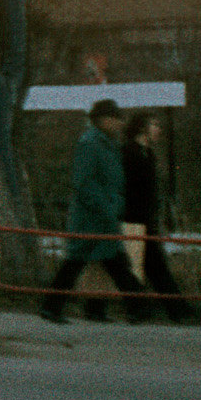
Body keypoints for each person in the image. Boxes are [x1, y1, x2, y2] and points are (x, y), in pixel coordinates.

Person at [42, 98, 144, 325]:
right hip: (91, 215)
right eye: (116, 119)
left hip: (102, 213)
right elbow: (83, 181)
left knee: (108, 260)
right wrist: (107, 206)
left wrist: (112, 205)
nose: (119, 123)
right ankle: (136, 307)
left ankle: (87, 308)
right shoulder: (91, 143)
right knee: (94, 260)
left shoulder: (106, 142)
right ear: (103, 120)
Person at [120, 112, 192, 324]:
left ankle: (172, 308)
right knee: (144, 265)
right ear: (142, 128)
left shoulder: (147, 154)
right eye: (154, 125)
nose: (157, 129)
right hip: (132, 219)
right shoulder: (129, 153)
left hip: (145, 219)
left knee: (152, 265)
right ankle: (173, 308)